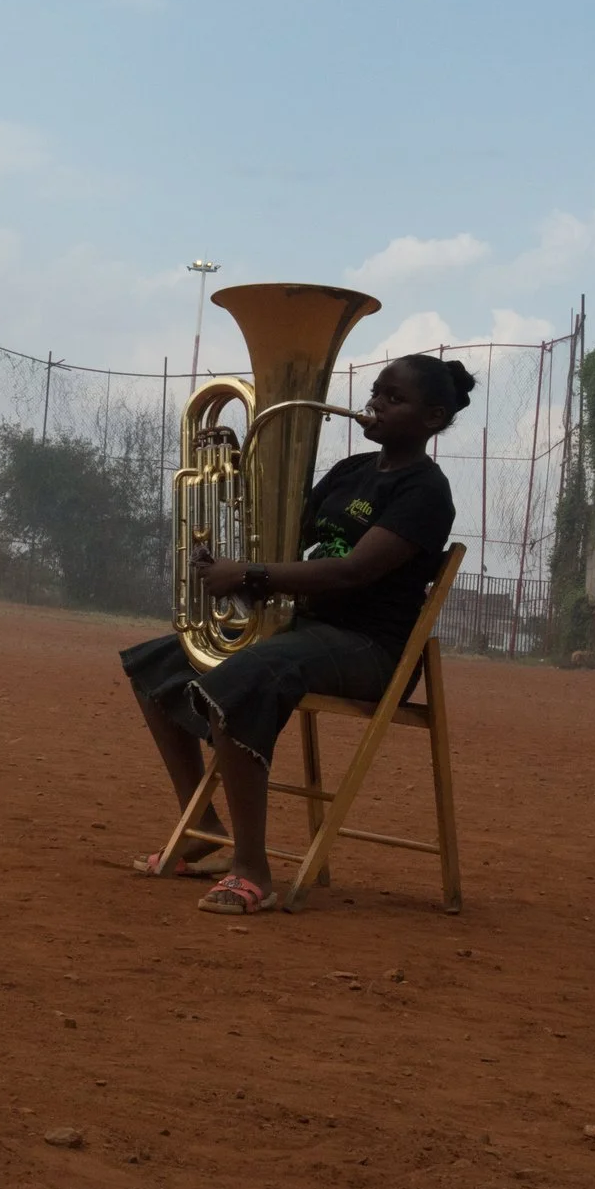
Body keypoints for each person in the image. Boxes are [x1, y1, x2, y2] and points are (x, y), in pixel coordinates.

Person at [120, 352, 469, 915]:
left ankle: (252, 870)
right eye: (376, 392)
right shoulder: (352, 470)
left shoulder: (426, 492)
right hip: (307, 629)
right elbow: (284, 534)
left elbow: (352, 570)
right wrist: (232, 481)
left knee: (244, 679)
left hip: (371, 648)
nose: (375, 403)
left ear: (432, 418)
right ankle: (201, 830)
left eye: (393, 398)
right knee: (158, 663)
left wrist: (252, 575)